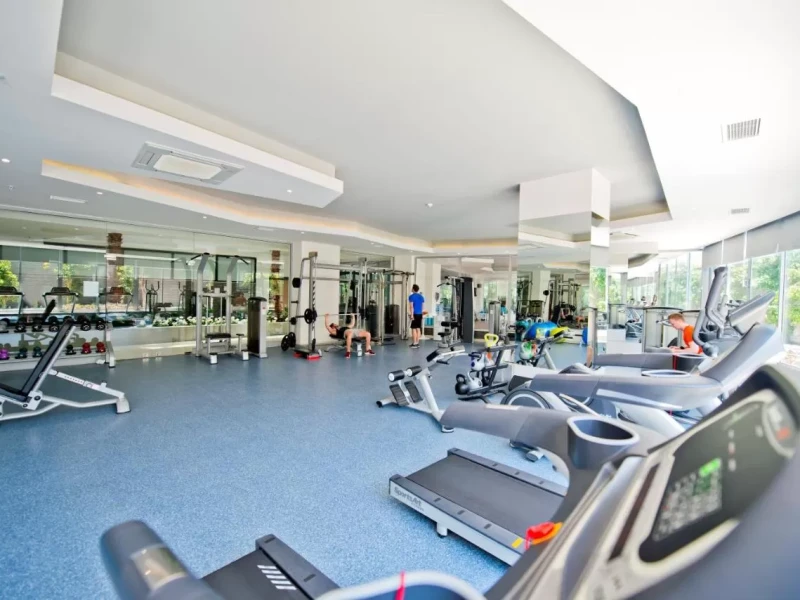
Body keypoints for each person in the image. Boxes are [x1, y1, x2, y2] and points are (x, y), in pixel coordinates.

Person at [408, 284, 425, 349]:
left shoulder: (411, 296)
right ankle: (417, 343)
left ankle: (414, 343)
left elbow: (411, 307)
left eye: (412, 288)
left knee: (414, 329)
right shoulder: (421, 297)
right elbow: (423, 307)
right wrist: (422, 314)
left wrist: (412, 315)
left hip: (415, 314)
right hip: (420, 314)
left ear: (413, 289)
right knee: (418, 328)